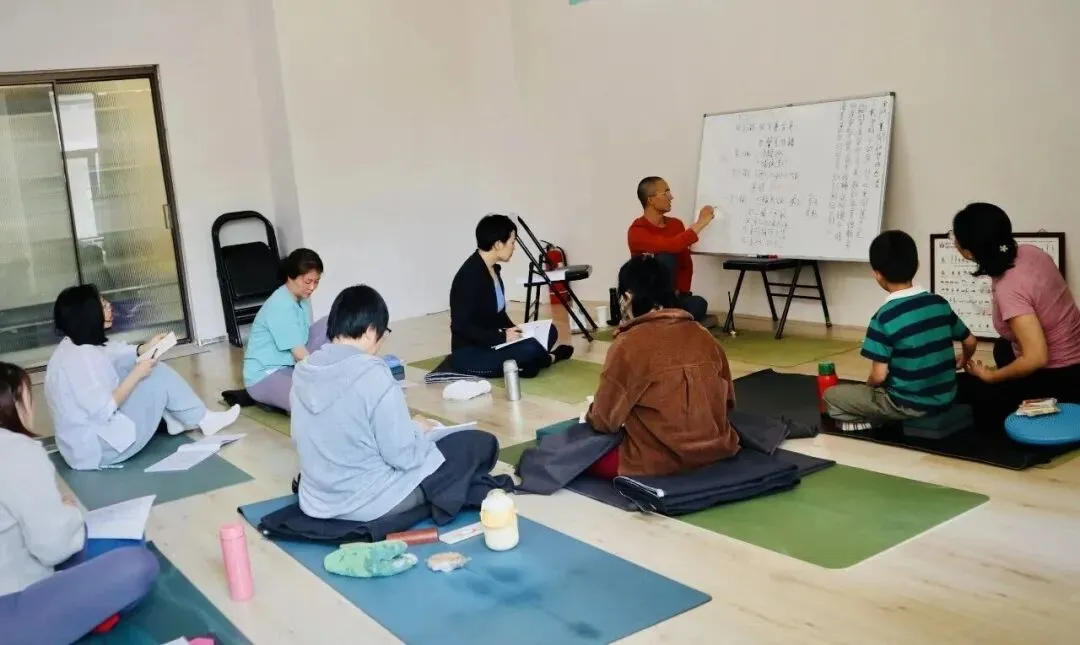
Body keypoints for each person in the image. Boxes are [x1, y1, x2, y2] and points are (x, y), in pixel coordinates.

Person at [292, 285, 510, 523]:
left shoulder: (304, 371)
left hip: (316, 501)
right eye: (383, 333)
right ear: (370, 331)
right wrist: (418, 431)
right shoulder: (372, 373)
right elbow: (403, 457)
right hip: (369, 503)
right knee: (478, 444)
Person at [0, 362, 160, 645]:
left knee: (119, 544)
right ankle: (87, 614)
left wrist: (50, 507)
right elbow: (53, 547)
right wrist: (67, 512)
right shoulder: (17, 450)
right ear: (13, 401)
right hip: (11, 613)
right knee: (137, 563)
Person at [45, 284, 240, 471]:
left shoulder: (72, 347)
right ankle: (202, 419)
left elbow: (114, 352)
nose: (110, 306)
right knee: (155, 373)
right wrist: (137, 374)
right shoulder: (82, 361)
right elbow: (103, 410)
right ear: (88, 315)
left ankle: (180, 418)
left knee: (134, 365)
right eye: (103, 305)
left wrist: (145, 348)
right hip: (101, 450)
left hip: (79, 448)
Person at [584, 255, 741, 478]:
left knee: (578, 453)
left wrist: (592, 412)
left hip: (660, 462)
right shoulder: (705, 335)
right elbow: (729, 403)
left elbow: (604, 422)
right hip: (718, 449)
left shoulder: (628, 344)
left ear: (627, 298)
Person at [824, 230, 976, 430]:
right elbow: (970, 341)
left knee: (831, 396)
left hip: (908, 404)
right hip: (947, 397)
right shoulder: (938, 303)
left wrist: (868, 392)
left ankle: (875, 419)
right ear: (917, 265)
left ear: (877, 274)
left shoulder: (883, 317)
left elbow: (878, 376)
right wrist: (964, 359)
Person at [950, 203, 1080, 427]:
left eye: (955, 237)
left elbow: (1036, 357)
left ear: (969, 252)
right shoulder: (1030, 252)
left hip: (1060, 375)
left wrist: (991, 377)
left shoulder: (1010, 288)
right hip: (1073, 354)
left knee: (962, 390)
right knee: (1002, 347)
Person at [449, 214, 574, 378]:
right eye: (512, 242)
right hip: (471, 352)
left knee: (550, 331)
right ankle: (548, 359)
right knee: (531, 348)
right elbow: (461, 327)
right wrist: (502, 337)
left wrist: (517, 332)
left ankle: (528, 364)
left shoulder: (493, 270)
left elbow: (498, 315)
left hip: (494, 342)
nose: (514, 248)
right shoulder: (468, 277)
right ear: (498, 244)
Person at [243, 248, 328, 412]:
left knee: (330, 322)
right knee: (315, 400)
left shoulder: (302, 300)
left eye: (316, 282)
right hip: (265, 375)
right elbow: (299, 353)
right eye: (307, 281)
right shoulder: (280, 305)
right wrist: (325, 375)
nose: (312, 287)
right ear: (290, 276)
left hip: (290, 366)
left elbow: (304, 339)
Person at [627, 176, 716, 323]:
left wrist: (681, 292)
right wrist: (700, 223)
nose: (671, 197)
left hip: (673, 298)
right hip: (648, 298)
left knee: (699, 303)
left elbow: (685, 264)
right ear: (651, 200)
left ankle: (667, 318)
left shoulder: (676, 225)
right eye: (666, 193)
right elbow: (671, 245)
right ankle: (672, 319)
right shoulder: (637, 231)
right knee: (666, 257)